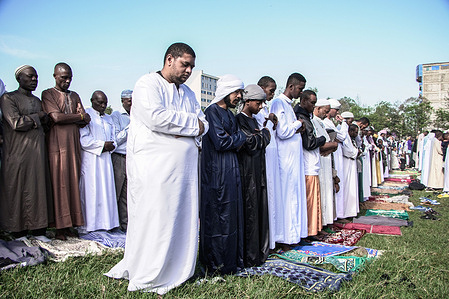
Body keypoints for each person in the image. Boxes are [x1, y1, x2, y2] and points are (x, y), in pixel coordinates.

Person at [106, 43, 207, 295]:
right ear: (169, 59)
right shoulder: (147, 84)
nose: (189, 71)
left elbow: (202, 121)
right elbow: (156, 117)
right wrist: (190, 126)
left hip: (182, 172)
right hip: (153, 168)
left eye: (192, 66)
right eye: (185, 64)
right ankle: (150, 271)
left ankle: (178, 267)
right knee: (156, 217)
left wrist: (186, 129)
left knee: (180, 218)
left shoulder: (189, 94)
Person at [200, 74, 247, 274]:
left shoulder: (229, 114)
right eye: (236, 92)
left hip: (232, 170)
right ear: (226, 92)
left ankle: (231, 262)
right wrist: (241, 136)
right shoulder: (212, 112)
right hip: (217, 173)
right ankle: (216, 264)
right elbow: (221, 142)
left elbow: (233, 142)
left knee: (232, 217)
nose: (239, 97)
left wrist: (236, 138)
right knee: (219, 217)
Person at [0, 65, 53, 238]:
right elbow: (16, 123)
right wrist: (38, 117)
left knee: (38, 188)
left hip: (37, 153)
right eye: (30, 77)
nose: (34, 80)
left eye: (36, 77)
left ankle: (39, 229)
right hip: (17, 154)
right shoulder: (8, 98)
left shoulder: (38, 101)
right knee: (17, 190)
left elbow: (44, 123)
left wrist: (44, 119)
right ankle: (18, 231)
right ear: (19, 79)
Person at [41, 62, 91, 240]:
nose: (67, 81)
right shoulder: (48, 94)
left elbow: (87, 118)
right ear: (55, 76)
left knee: (72, 181)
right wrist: (77, 116)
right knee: (59, 182)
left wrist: (76, 117)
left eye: (70, 78)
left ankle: (71, 224)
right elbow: (55, 117)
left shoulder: (75, 95)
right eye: (63, 78)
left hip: (73, 145)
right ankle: (59, 227)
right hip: (57, 145)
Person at [269, 73, 307, 250]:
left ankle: (293, 236)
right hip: (285, 161)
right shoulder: (278, 103)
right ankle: (284, 238)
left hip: (292, 161)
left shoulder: (289, 105)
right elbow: (283, 132)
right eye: (300, 89)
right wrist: (298, 124)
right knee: (287, 198)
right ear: (291, 86)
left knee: (294, 197)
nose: (301, 92)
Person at [236, 84, 271, 267]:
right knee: (250, 213)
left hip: (258, 172)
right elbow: (249, 142)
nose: (261, 107)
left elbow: (256, 141)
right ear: (248, 101)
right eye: (258, 103)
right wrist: (264, 135)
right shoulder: (239, 120)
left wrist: (261, 136)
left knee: (259, 211)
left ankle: (258, 253)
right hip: (247, 173)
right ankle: (249, 256)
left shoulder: (255, 120)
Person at [79, 90, 119, 233]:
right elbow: (83, 139)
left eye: (105, 103)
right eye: (100, 102)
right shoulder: (86, 116)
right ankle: (90, 226)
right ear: (92, 100)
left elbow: (114, 137)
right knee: (92, 191)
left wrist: (111, 145)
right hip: (91, 160)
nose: (103, 105)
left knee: (107, 191)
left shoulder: (109, 119)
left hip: (106, 160)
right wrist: (102, 145)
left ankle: (107, 224)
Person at [294, 90, 327, 236]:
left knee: (314, 199)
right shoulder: (301, 117)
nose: (313, 106)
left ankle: (314, 229)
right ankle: (309, 231)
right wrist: (322, 140)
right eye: (312, 103)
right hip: (307, 164)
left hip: (311, 163)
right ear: (303, 101)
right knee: (310, 200)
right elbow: (309, 142)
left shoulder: (307, 117)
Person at [255, 76, 280, 250]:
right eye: (271, 91)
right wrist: (267, 120)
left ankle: (272, 239)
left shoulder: (266, 108)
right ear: (262, 88)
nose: (272, 94)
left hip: (271, 155)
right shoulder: (255, 108)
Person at [312, 99, 338, 228]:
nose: (326, 113)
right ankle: (320, 224)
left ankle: (326, 222)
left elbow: (328, 143)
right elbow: (320, 145)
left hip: (327, 162)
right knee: (321, 194)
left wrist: (332, 146)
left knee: (327, 192)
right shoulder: (313, 122)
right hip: (320, 162)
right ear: (317, 108)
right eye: (325, 111)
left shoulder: (321, 123)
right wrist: (333, 144)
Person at [111, 89, 132, 232]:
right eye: (129, 100)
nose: (132, 103)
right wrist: (132, 126)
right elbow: (116, 139)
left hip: (133, 158)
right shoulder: (116, 115)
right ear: (122, 101)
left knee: (127, 195)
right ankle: (114, 224)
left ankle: (125, 225)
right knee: (116, 192)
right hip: (119, 157)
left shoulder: (137, 114)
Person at [322, 99, 346, 219]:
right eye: (335, 110)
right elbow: (341, 136)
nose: (336, 112)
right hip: (326, 156)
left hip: (334, 154)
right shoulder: (325, 122)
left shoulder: (330, 123)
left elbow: (340, 137)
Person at [341, 124, 360, 218]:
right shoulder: (345, 138)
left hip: (351, 164)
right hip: (346, 165)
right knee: (347, 188)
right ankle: (346, 212)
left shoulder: (351, 139)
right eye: (355, 132)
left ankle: (351, 211)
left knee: (352, 187)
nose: (356, 134)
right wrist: (356, 152)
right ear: (350, 131)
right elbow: (347, 151)